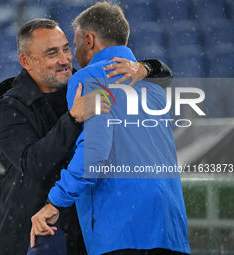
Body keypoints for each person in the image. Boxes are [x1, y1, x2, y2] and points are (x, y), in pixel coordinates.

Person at [0, 17, 173, 255]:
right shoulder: (10, 107)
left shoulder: (84, 81)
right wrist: (73, 118)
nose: (65, 60)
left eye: (66, 49)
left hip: (85, 233)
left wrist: (144, 67)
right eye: (52, 53)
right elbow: (34, 164)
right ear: (26, 61)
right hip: (33, 235)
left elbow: (166, 78)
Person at [30, 2, 190, 255]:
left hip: (121, 227)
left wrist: (55, 201)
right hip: (169, 227)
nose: (74, 53)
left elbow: (95, 151)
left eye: (75, 43)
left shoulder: (87, 79)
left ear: (89, 40)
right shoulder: (156, 90)